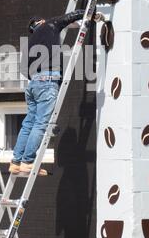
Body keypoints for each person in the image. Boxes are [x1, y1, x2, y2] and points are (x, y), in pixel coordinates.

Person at [9, 10, 102, 176]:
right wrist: (91, 13)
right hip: (47, 81)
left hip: (33, 85)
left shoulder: (29, 43)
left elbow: (23, 69)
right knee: (40, 124)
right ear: (41, 21)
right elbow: (69, 17)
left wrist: (37, 77)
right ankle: (28, 162)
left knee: (29, 123)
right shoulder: (50, 24)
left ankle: (15, 162)